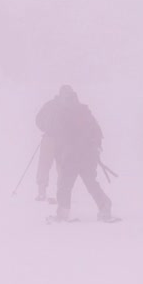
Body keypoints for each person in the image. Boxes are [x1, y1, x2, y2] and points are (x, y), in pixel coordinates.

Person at [42, 86, 115, 222]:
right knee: (90, 183)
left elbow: (58, 134)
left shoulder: (63, 114)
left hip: (72, 156)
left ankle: (63, 212)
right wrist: (95, 148)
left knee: (65, 185)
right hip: (88, 156)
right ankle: (105, 205)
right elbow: (97, 132)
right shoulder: (84, 112)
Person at [33, 87, 65, 201]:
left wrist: (46, 129)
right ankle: (59, 193)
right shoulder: (67, 107)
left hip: (50, 139)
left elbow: (38, 119)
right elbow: (38, 119)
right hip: (60, 140)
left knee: (45, 165)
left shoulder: (50, 105)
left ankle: (42, 192)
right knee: (60, 167)